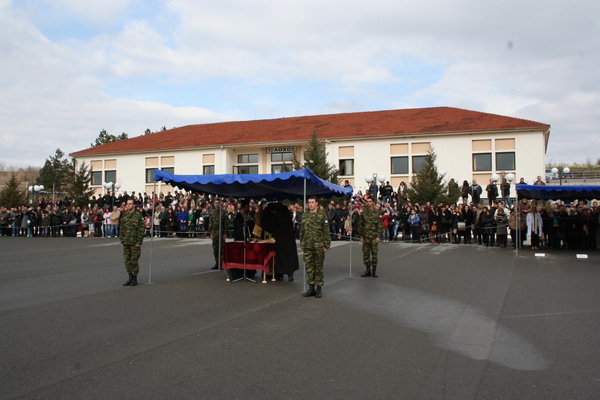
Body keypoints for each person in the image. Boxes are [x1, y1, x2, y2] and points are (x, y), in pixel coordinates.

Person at [300, 196, 330, 298]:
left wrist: (326, 245)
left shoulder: (322, 215)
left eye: (312, 202)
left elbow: (326, 231)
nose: (310, 204)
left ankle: (318, 288)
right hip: (307, 245)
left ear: (317, 203)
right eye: (309, 202)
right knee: (309, 267)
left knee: (318, 267)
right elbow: (302, 231)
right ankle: (311, 288)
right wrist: (302, 244)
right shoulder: (305, 215)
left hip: (318, 246)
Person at [120, 199, 145, 286]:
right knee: (127, 260)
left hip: (134, 241)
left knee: (134, 260)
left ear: (134, 205)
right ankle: (130, 277)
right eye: (127, 204)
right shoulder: (125, 214)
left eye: (130, 204)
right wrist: (122, 239)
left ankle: (134, 278)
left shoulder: (138, 215)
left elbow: (141, 229)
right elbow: (122, 227)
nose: (128, 205)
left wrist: (139, 241)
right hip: (126, 241)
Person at [359, 197, 383, 278]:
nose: (368, 203)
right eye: (367, 201)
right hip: (365, 237)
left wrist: (378, 236)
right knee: (366, 254)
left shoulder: (377, 212)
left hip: (374, 237)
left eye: (370, 201)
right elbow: (360, 225)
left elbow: (380, 225)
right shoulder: (363, 213)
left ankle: (374, 271)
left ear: (373, 202)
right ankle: (367, 270)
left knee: (374, 254)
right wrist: (361, 236)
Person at [209, 199, 228, 270]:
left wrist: (225, 233)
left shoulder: (223, 212)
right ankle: (217, 263)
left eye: (217, 203)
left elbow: (226, 223)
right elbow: (210, 223)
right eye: (215, 203)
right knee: (215, 249)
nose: (216, 204)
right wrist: (210, 233)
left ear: (220, 204)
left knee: (222, 249)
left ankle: (221, 263)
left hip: (221, 232)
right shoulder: (212, 212)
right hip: (214, 233)